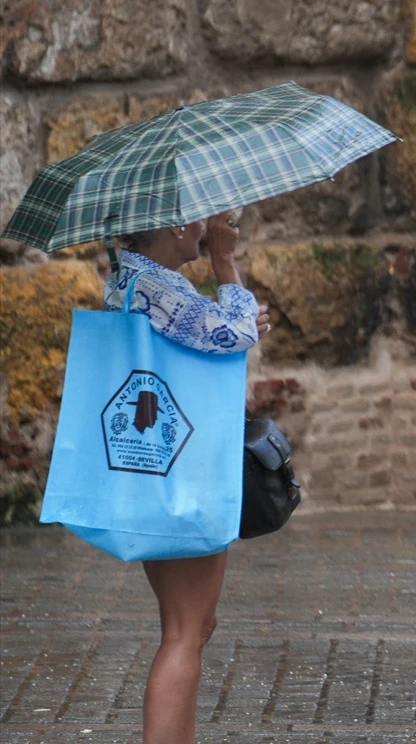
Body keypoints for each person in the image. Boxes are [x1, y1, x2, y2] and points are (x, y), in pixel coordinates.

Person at [105, 213, 270, 744]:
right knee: (184, 633)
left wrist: (235, 317)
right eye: (201, 219)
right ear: (173, 225)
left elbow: (229, 332)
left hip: (154, 469)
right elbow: (238, 333)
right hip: (184, 478)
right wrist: (226, 261)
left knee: (192, 625)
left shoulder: (128, 280)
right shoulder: (158, 286)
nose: (209, 226)